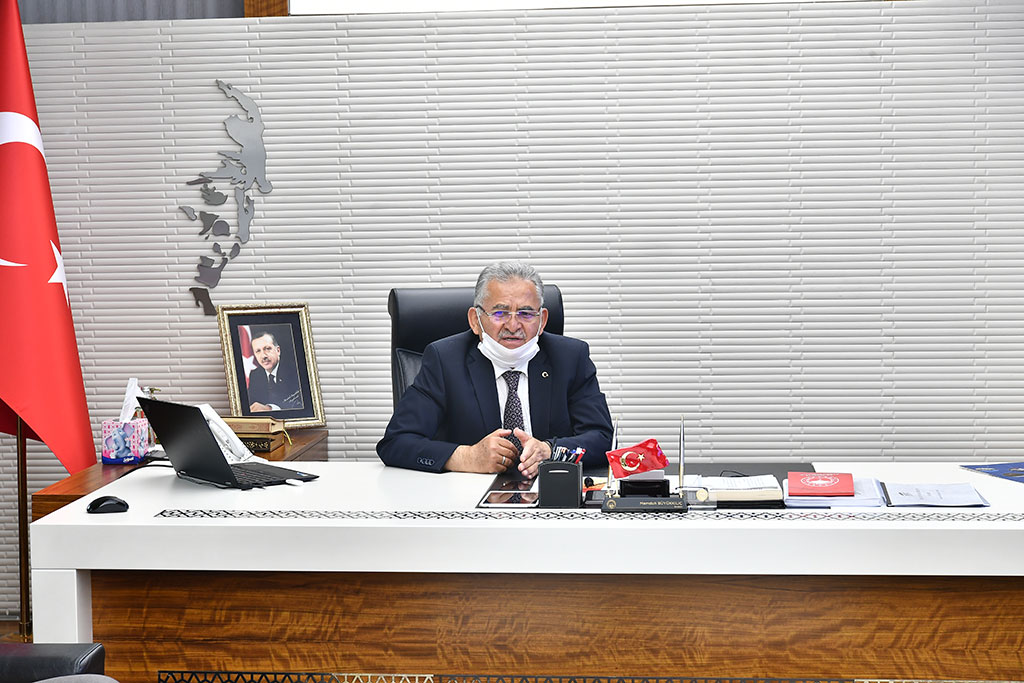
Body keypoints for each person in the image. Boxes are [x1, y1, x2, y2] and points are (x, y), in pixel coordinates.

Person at [377, 261, 613, 476]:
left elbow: (602, 438)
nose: (513, 325)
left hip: (550, 494)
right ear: (475, 320)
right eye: (500, 313)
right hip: (467, 495)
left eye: (526, 313)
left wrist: (550, 450)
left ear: (542, 320)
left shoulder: (570, 357)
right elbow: (396, 443)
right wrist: (466, 457)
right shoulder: (444, 360)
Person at [246, 329, 302, 412]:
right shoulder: (255, 375)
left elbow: (299, 405)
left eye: (267, 349)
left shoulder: (295, 370)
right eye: (258, 351)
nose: (263, 356)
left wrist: (271, 409)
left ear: (278, 351)